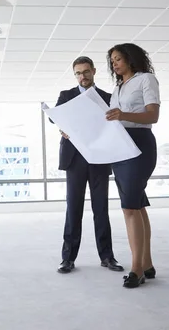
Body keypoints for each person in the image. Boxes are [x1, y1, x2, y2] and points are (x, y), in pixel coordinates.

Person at [53, 56, 124, 274]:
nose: (82, 76)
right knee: (73, 208)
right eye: (78, 73)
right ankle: (68, 258)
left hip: (98, 158)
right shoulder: (66, 95)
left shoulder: (106, 96)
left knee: (101, 209)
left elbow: (113, 125)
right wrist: (62, 127)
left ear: (93, 71)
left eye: (85, 72)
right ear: (75, 75)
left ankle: (107, 256)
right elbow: (54, 117)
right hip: (74, 159)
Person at [105, 43, 160, 288]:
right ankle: (146, 263)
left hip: (139, 145)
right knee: (136, 205)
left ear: (130, 58)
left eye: (118, 59)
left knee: (129, 208)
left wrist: (122, 115)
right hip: (120, 146)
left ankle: (136, 268)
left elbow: (153, 116)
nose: (114, 63)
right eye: (112, 60)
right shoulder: (117, 88)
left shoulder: (146, 79)